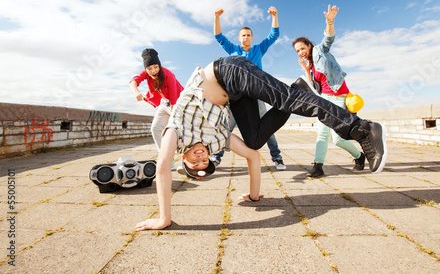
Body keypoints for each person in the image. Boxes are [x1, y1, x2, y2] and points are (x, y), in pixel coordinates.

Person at [135, 55, 387, 231]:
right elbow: (252, 156)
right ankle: (300, 88)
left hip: (228, 71)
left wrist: (164, 218)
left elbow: (162, 167)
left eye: (195, 161)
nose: (201, 157)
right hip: (235, 95)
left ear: (184, 159)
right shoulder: (216, 141)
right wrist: (254, 195)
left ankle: (361, 129)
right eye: (205, 161)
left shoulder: (175, 134)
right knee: (254, 140)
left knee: (290, 100)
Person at [293, 5, 365, 178]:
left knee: (338, 138)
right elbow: (313, 86)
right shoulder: (310, 65)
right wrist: (305, 69)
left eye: (302, 48)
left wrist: (330, 21)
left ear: (309, 46)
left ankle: (359, 156)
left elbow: (328, 39)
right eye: (297, 51)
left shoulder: (319, 51)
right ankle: (318, 166)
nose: (301, 52)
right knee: (322, 134)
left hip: (339, 96)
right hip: (325, 98)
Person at [212, 6, 286, 170]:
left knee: (266, 128)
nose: (246, 37)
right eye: (243, 35)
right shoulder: (233, 50)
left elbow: (274, 35)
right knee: (226, 127)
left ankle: (277, 157)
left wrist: (275, 15)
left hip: (256, 94)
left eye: (248, 35)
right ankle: (216, 157)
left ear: (252, 37)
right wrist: (217, 17)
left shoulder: (258, 49)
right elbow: (218, 36)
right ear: (239, 38)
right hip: (237, 97)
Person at [129, 48, 184, 170]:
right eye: (149, 69)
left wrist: (172, 123)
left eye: (155, 67)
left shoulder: (169, 75)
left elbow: (174, 100)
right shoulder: (145, 73)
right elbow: (133, 81)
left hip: (179, 103)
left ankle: (188, 158)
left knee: (180, 130)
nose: (153, 71)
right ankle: (166, 159)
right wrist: (136, 92)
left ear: (159, 65)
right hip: (164, 104)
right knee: (155, 128)